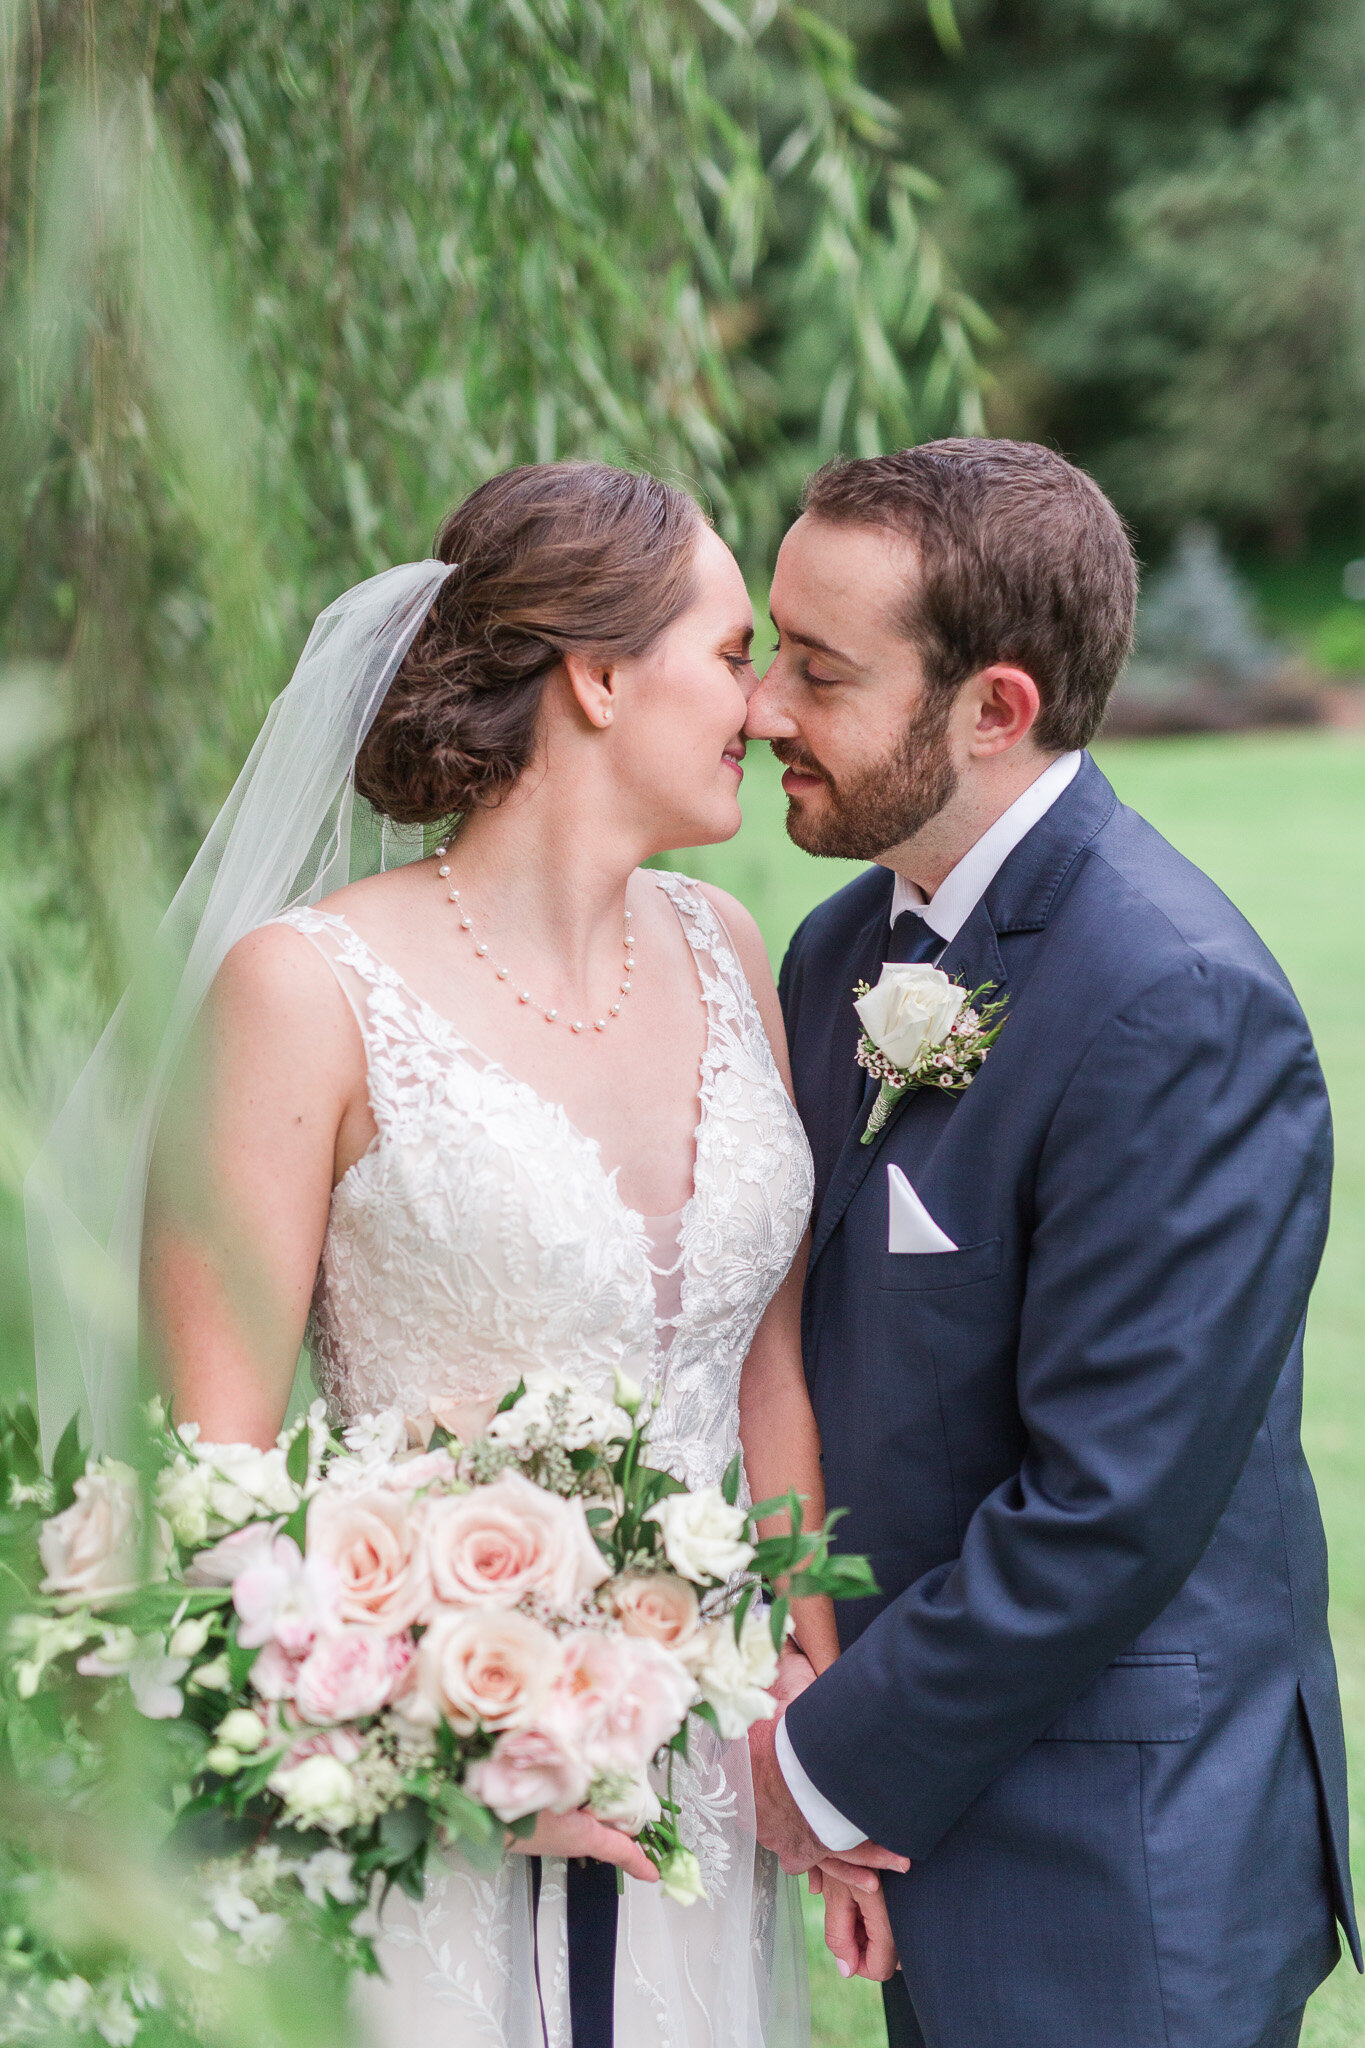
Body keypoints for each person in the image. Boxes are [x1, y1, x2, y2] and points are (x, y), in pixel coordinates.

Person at [120, 461, 906, 2048]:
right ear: (601, 679)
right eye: (734, 650)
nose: (763, 709)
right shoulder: (305, 990)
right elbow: (209, 1466)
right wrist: (457, 1751)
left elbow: (766, 1363)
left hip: (697, 1749)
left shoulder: (722, 945)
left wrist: (814, 1716)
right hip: (420, 1773)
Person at [743, 439, 1360, 2048]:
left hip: (1121, 1861)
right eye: (766, 651)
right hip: (935, 1803)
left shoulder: (1176, 1003)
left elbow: (1108, 1501)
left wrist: (824, 1762)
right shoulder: (837, 952)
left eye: (817, 671)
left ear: (993, 710)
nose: (758, 710)